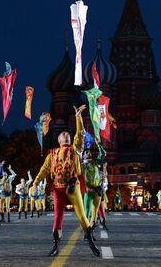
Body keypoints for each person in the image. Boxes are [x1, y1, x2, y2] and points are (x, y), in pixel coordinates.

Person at [33, 105, 100, 257]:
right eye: (63, 134)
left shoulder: (76, 148)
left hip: (73, 186)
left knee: (82, 216)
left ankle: (91, 242)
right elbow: (44, 169)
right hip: (58, 188)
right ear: (59, 140)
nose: (65, 133)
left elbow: (80, 134)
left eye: (67, 134)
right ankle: (56, 246)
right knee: (57, 218)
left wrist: (78, 117)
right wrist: (36, 182)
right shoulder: (52, 153)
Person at [83, 139, 106, 230]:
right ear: (83, 155)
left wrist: (98, 144)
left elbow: (103, 154)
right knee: (86, 213)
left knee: (94, 214)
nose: (89, 154)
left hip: (97, 191)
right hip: (88, 192)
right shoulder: (82, 166)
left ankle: (90, 233)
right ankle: (86, 232)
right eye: (87, 152)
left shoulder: (96, 164)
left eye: (90, 152)